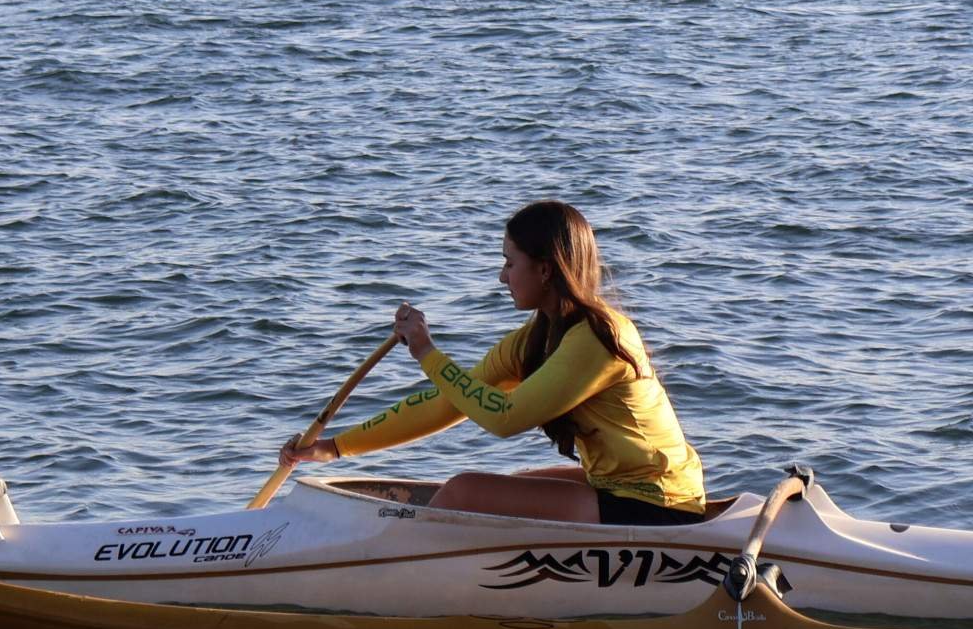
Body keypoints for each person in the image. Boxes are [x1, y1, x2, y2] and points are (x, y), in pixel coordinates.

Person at [276, 200, 708, 524]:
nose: (502, 276)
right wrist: (333, 448)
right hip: (617, 488)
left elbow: (505, 418)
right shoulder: (536, 338)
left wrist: (427, 353)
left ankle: (394, 585)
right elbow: (448, 402)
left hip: (660, 504)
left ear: (544, 270)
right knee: (502, 487)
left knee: (466, 491)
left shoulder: (598, 337)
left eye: (509, 262)